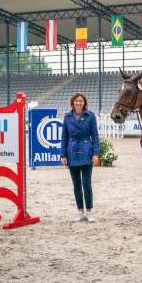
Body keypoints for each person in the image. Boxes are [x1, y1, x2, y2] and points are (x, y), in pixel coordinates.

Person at [60, 92, 100, 223]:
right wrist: (63, 155)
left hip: (86, 151)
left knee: (86, 184)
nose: (78, 103)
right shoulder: (67, 117)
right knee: (76, 185)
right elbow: (64, 137)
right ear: (72, 102)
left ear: (84, 103)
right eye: (76, 101)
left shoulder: (90, 116)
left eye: (81, 101)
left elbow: (95, 136)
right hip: (71, 152)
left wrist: (95, 153)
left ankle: (89, 211)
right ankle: (80, 212)